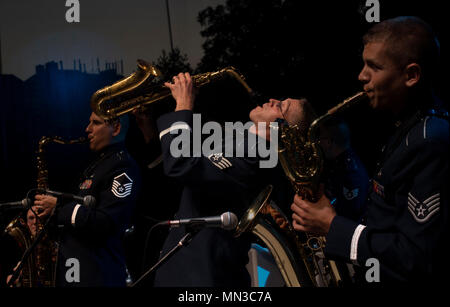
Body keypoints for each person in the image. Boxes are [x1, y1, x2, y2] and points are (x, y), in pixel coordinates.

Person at [291, 16, 449, 284]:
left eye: (374, 67)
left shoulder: (431, 141)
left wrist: (331, 225)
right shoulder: (407, 129)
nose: (361, 76)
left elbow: (415, 258)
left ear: (411, 75)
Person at [152, 72, 310, 287]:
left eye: (281, 107)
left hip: (201, 277)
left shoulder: (255, 156)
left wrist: (184, 104)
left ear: (284, 130)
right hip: (189, 269)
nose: (273, 100)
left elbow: (180, 165)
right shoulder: (242, 140)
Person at [33, 111, 141, 287]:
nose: (87, 129)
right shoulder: (97, 165)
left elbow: (107, 222)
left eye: (95, 123)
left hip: (97, 275)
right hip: (75, 272)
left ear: (116, 128)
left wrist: (58, 208)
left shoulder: (122, 166)